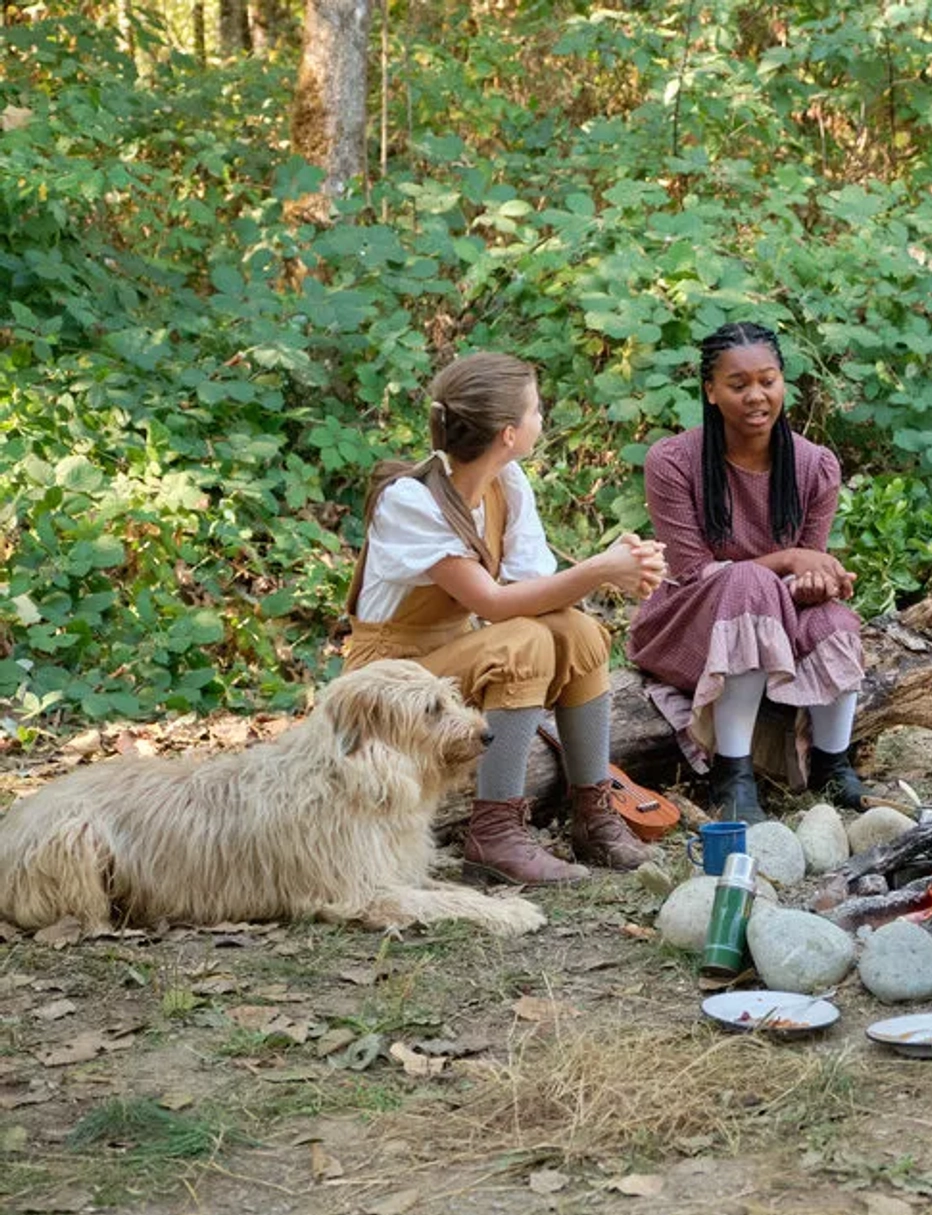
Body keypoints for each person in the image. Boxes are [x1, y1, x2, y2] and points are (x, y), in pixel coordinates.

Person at [344, 351, 669, 887]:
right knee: (520, 642)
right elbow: (494, 605)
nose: (543, 419)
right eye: (537, 410)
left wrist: (622, 566)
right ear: (508, 433)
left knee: (579, 632)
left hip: (445, 673)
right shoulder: (411, 500)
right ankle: (493, 834)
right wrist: (597, 570)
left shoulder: (506, 483)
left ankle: (594, 814)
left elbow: (531, 592)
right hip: (387, 681)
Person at [626, 322, 867, 823]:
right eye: (738, 386)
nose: (757, 397)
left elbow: (804, 577)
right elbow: (692, 572)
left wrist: (820, 579)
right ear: (711, 391)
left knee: (834, 620)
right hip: (688, 622)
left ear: (783, 382)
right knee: (749, 582)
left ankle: (831, 766)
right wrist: (787, 560)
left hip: (774, 615)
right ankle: (731, 775)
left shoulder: (815, 466)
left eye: (768, 381)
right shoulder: (672, 462)